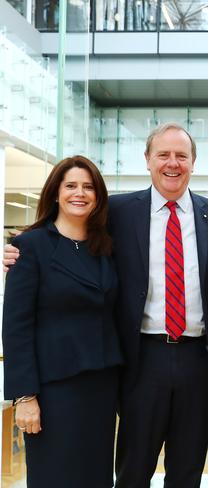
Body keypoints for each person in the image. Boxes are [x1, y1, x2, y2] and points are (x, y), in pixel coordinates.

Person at [3, 122, 208, 487]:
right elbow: (68, 229)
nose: (172, 163)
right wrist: (18, 249)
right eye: (163, 155)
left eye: (181, 156)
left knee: (188, 469)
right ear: (147, 160)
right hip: (141, 359)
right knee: (132, 468)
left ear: (193, 162)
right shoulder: (121, 211)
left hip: (200, 360)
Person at [2, 156, 122, 487]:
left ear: (98, 196)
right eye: (70, 186)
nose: (79, 193)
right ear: (56, 192)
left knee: (96, 477)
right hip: (52, 390)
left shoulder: (106, 247)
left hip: (100, 386)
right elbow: (16, 327)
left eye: (88, 187)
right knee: (54, 477)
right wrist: (25, 396)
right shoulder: (30, 246)